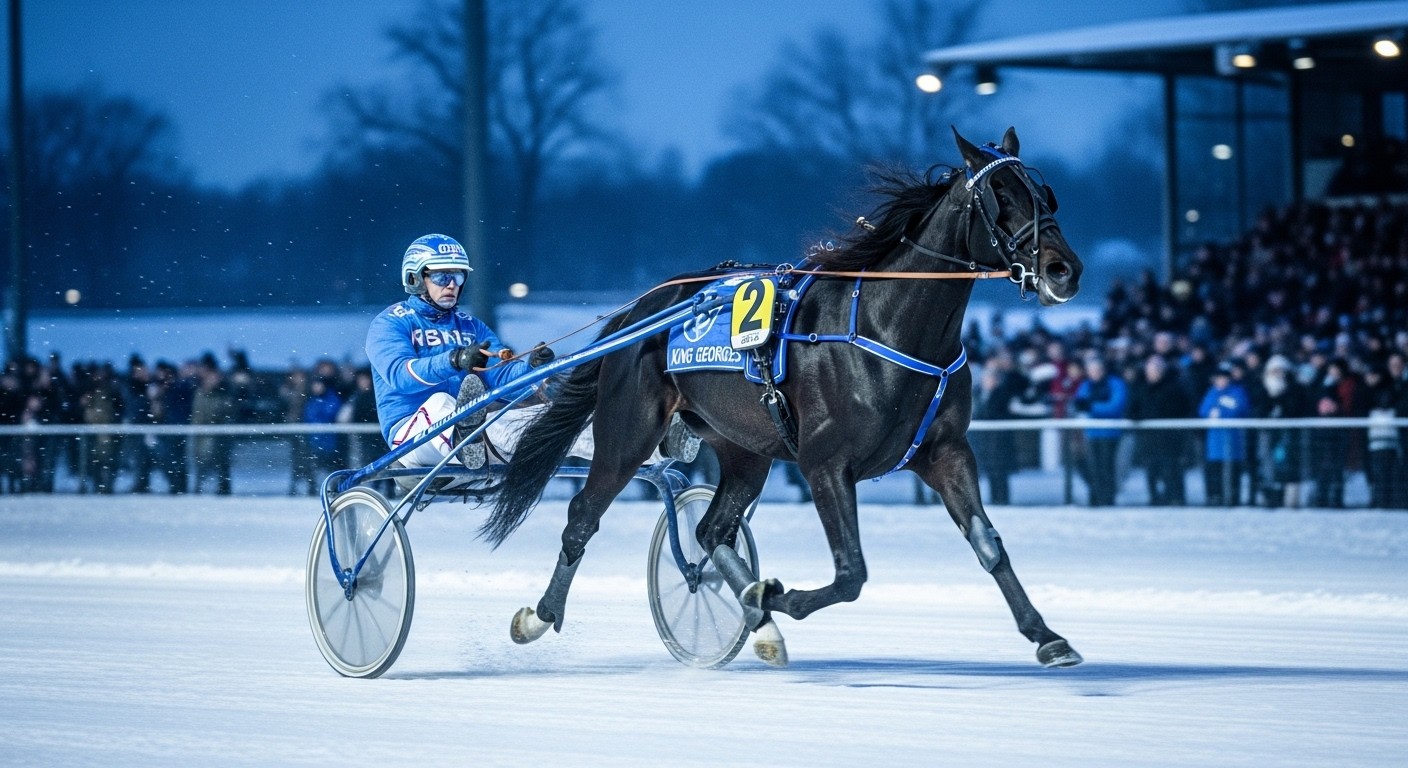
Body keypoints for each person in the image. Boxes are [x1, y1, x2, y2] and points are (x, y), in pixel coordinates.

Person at [365, 233, 698, 475]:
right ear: (415, 278)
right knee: (443, 405)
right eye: (442, 276)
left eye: (458, 276)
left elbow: (502, 376)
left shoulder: (472, 327)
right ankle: (465, 438)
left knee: (556, 421)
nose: (452, 284)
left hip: (481, 428)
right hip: (411, 437)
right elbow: (399, 376)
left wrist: (534, 371)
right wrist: (453, 360)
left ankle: (657, 445)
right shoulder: (391, 324)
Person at [1127, 354, 1192, 505]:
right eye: (1149, 370)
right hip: (1149, 438)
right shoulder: (1141, 387)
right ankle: (1154, 497)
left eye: (1155, 370)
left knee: (1171, 468)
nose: (1152, 373)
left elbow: (1180, 410)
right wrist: (1137, 417)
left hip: (1170, 438)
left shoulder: (1174, 387)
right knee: (1151, 469)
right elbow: (1132, 409)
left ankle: (1175, 497)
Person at [1072, 354, 1127, 507]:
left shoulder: (1115, 384)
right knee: (1093, 468)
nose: (1094, 373)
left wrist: (1092, 407)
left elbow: (1116, 406)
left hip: (1110, 432)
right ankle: (1095, 497)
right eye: (1091, 370)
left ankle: (1107, 499)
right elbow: (1079, 402)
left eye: (1097, 370)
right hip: (1091, 432)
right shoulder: (1086, 385)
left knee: (1106, 467)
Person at [1198, 362, 1252, 506]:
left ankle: (1233, 498)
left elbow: (1241, 410)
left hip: (1233, 441)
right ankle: (1216, 497)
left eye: (1223, 378)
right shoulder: (1212, 392)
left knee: (1233, 472)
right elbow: (1203, 410)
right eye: (1218, 378)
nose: (1220, 381)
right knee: (1215, 470)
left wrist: (1221, 413)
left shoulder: (1237, 392)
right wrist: (1211, 414)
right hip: (1215, 441)